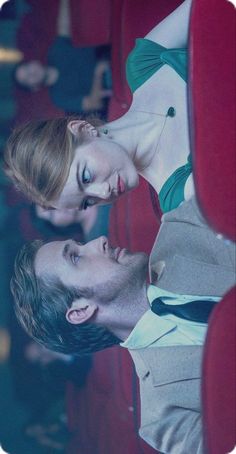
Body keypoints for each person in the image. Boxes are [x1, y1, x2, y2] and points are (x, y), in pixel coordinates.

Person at [11, 197, 236, 453]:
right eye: (75, 258)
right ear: (81, 311)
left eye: (80, 245)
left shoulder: (182, 225)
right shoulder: (167, 420)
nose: (99, 241)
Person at [5, 0, 193, 214]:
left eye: (86, 177)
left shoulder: (144, 63)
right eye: (87, 202)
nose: (104, 194)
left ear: (82, 129)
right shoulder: (174, 195)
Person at [14, 0, 112, 114]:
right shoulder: (58, 98)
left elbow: (63, 26)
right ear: (34, 88)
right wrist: (98, 74)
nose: (31, 73)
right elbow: (93, 103)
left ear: (32, 62)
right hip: (109, 83)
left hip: (110, 52)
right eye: (27, 78)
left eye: (27, 69)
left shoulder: (55, 51)